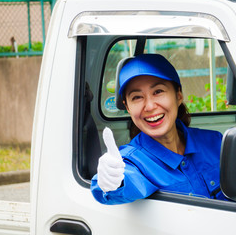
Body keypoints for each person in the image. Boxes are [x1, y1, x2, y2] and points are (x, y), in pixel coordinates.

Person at [91, 53, 227, 205]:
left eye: (158, 92)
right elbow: (120, 184)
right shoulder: (132, 161)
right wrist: (113, 181)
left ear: (178, 95)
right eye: (137, 97)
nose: (149, 106)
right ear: (128, 108)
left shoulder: (215, 142)